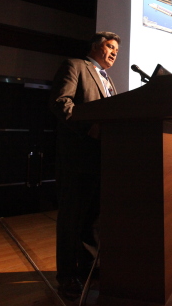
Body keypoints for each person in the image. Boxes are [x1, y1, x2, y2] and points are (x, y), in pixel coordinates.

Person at [49, 31, 120, 300]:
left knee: (92, 220)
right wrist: (88, 128)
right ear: (94, 46)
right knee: (71, 220)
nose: (114, 52)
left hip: (101, 159)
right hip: (77, 159)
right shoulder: (75, 66)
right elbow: (60, 102)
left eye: (116, 50)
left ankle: (90, 269)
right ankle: (67, 277)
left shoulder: (108, 79)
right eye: (109, 46)